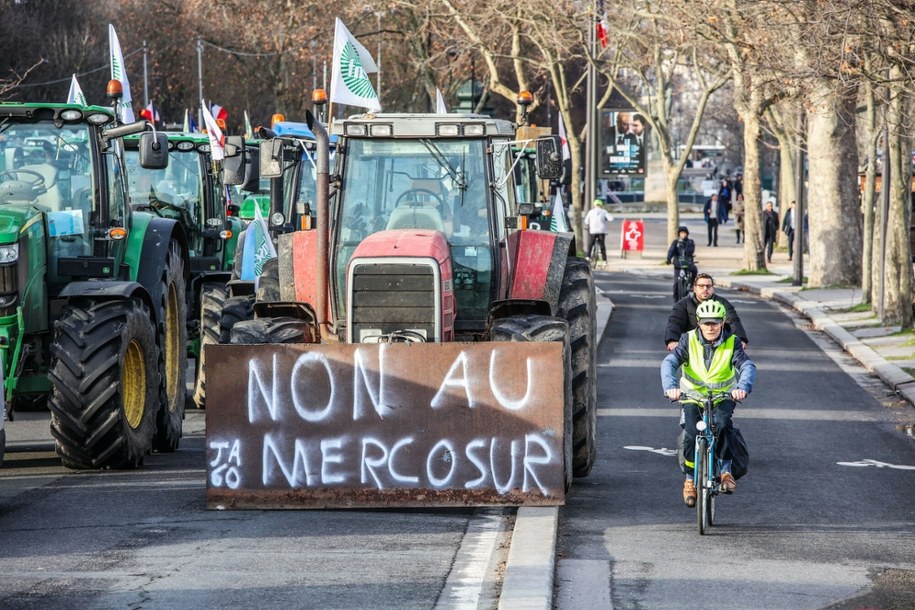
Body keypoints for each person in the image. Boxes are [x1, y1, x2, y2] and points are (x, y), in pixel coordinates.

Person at [661, 299, 756, 505]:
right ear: (698, 323)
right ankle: (689, 480)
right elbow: (670, 363)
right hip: (692, 396)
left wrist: (742, 388)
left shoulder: (732, 342)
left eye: (714, 323)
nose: (710, 327)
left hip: (723, 396)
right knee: (691, 433)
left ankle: (725, 472)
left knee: (722, 425)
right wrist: (670, 387)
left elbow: (747, 366)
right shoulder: (688, 340)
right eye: (706, 323)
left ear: (722, 322)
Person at [664, 272, 749, 351]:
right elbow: (675, 322)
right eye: (701, 286)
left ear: (713, 288)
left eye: (708, 286)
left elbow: (733, 321)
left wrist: (740, 339)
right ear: (694, 288)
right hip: (693, 347)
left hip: (719, 346)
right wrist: (672, 340)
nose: (705, 289)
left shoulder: (722, 303)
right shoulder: (683, 304)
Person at [665, 225, 697, 301]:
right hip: (678, 264)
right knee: (676, 282)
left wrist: (686, 249)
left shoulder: (690, 242)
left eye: (685, 233)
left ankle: (692, 284)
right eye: (681, 233)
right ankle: (675, 298)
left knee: (694, 269)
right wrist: (668, 259)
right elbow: (671, 251)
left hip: (688, 263)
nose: (683, 234)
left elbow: (691, 250)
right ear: (679, 234)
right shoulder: (675, 242)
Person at [584, 199, 614, 264]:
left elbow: (586, 221)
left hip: (593, 231)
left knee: (590, 244)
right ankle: (604, 260)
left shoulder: (591, 212)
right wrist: (606, 219)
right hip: (601, 231)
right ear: (601, 205)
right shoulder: (604, 211)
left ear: (594, 205)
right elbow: (611, 218)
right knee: (602, 245)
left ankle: (588, 256)